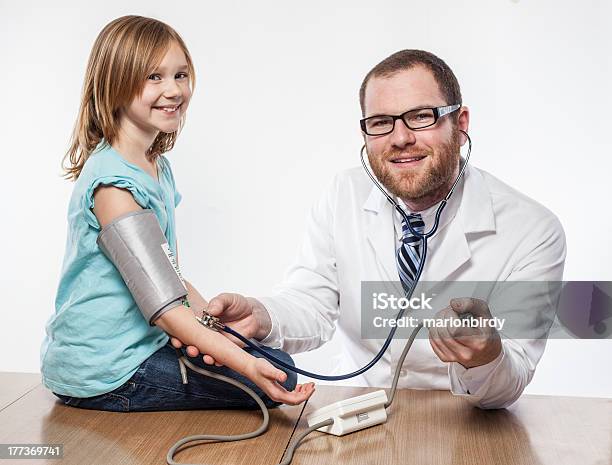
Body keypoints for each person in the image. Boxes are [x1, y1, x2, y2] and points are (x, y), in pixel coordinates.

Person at [175, 49, 566, 409]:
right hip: (362, 412)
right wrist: (263, 316)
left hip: (466, 422)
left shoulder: (533, 230)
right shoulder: (343, 193)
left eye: (421, 116)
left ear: (460, 124)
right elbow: (313, 304)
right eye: (381, 123)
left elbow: (511, 379)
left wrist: (486, 356)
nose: (400, 138)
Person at [40, 15, 314, 412]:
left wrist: (212, 328)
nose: (173, 90)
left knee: (271, 359)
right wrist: (241, 362)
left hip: (142, 344)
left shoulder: (155, 166)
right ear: (115, 83)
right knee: (279, 372)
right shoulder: (114, 186)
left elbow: (165, 277)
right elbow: (166, 310)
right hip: (106, 371)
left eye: (180, 75)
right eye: (154, 77)